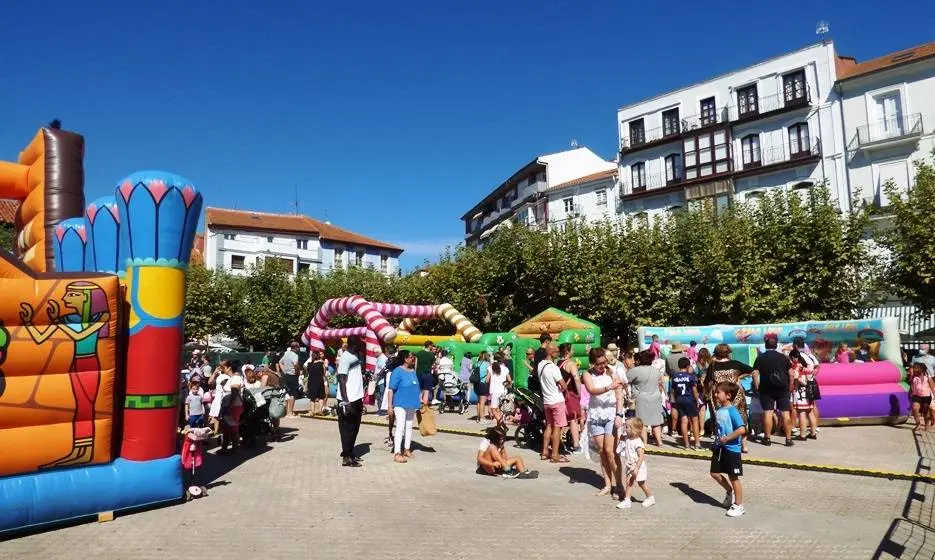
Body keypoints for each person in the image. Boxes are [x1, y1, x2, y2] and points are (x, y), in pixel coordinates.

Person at [581, 347, 624, 496]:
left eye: (604, 362)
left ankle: (619, 485)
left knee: (610, 451)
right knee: (602, 452)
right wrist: (608, 387)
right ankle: (607, 484)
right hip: (595, 415)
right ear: (593, 363)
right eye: (599, 363)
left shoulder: (612, 372)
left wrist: (619, 414)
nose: (602, 366)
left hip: (611, 415)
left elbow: (619, 394)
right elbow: (591, 390)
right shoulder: (587, 374)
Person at [706, 344, 753, 452]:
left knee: (722, 419)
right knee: (741, 418)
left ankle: (722, 442)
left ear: (716, 353)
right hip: (737, 394)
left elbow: (708, 383)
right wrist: (739, 377)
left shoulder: (713, 366)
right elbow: (752, 370)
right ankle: (744, 445)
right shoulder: (736, 364)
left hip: (720, 396)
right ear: (728, 353)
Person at [710, 381, 746, 517]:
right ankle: (728, 491)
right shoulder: (719, 410)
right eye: (716, 392)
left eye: (718, 392)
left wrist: (728, 438)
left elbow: (742, 429)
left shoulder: (732, 411)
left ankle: (739, 505)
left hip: (731, 449)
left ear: (728, 395)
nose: (715, 394)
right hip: (719, 448)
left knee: (733, 477)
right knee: (714, 473)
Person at [753, 334, 794, 447]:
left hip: (766, 388)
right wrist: (790, 386)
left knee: (768, 412)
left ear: (765, 345)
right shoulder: (784, 357)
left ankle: (767, 438)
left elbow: (755, 373)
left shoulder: (760, 357)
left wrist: (757, 386)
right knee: (785, 413)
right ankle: (788, 439)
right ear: (776, 346)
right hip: (783, 388)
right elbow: (791, 374)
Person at [336, 336, 366, 467]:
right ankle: (346, 457)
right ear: (355, 344)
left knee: (354, 428)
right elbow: (342, 380)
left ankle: (351, 452)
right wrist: (346, 402)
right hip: (349, 399)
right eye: (360, 343)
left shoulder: (355, 356)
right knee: (347, 429)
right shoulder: (345, 358)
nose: (361, 345)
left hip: (357, 397)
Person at [386, 350, 420, 463]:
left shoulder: (413, 371)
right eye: (410, 357)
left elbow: (416, 387)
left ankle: (406, 449)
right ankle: (397, 452)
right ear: (405, 359)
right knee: (400, 427)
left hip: (412, 403)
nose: (412, 359)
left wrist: (419, 400)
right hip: (400, 403)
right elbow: (391, 389)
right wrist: (390, 406)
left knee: (409, 426)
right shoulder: (397, 371)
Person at [538, 341, 569, 463]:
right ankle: (555, 454)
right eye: (556, 351)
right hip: (557, 400)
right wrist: (564, 386)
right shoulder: (554, 368)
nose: (558, 353)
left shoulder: (541, 365)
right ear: (550, 352)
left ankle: (544, 451)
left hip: (546, 401)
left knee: (549, 426)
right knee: (557, 428)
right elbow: (563, 385)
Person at [627, 350, 664, 446]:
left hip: (642, 397)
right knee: (656, 421)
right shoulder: (656, 370)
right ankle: (659, 442)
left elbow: (625, 379)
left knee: (643, 422)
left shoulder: (635, 371)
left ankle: (644, 442)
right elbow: (660, 383)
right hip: (655, 396)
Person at [616, 417, 654, 509]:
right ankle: (627, 500)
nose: (625, 429)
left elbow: (641, 456)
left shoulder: (638, 442)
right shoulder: (627, 438)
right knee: (629, 482)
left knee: (641, 482)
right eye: (625, 426)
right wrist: (619, 429)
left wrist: (637, 467)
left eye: (627, 427)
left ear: (635, 430)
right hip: (630, 465)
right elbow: (620, 437)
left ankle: (650, 497)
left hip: (638, 466)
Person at [670, 357, 700, 449]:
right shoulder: (690, 376)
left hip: (679, 399)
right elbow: (694, 390)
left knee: (683, 420)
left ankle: (686, 444)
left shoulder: (674, 376)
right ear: (687, 366)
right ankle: (697, 444)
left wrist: (676, 399)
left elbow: (673, 391)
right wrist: (697, 400)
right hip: (689, 399)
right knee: (694, 420)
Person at [558, 343, 582, 454]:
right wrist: (579, 393)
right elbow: (576, 378)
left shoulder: (558, 363)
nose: (573, 351)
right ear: (567, 352)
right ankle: (576, 445)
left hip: (560, 395)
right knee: (573, 419)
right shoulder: (571, 364)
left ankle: (557, 443)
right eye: (572, 349)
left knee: (560, 420)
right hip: (570, 394)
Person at [790, 349, 818, 440]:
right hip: (810, 391)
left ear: (794, 358)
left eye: (791, 358)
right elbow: (813, 373)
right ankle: (813, 433)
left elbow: (798, 378)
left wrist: (799, 382)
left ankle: (802, 435)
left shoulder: (797, 367)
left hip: (801, 392)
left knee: (802, 413)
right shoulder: (807, 366)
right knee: (810, 412)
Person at [279, 341, 301, 418]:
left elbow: (280, 362)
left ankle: (286, 412)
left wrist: (284, 371)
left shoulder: (286, 354)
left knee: (286, 393)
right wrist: (297, 372)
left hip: (286, 376)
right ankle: (290, 412)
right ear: (296, 347)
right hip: (292, 375)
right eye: (298, 347)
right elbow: (295, 365)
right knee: (293, 394)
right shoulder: (295, 355)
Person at [910, 363, 934, 433]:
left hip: (926, 396)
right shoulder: (914, 377)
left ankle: (927, 424)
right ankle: (918, 424)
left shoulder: (927, 377)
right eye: (914, 368)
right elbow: (912, 386)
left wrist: (934, 395)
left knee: (925, 412)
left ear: (922, 369)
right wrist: (911, 393)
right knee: (914, 409)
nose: (914, 369)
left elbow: (932, 386)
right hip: (916, 396)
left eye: (916, 368)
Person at [303, 351, 328, 416]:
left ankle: (312, 411)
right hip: (319, 381)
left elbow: (307, 371)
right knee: (321, 397)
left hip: (311, 381)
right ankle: (320, 411)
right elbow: (324, 373)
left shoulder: (309, 364)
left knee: (312, 398)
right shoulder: (321, 363)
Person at [415, 341, 437, 406]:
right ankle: (425, 405)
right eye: (432, 346)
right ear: (429, 346)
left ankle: (418, 404)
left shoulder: (418, 353)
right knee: (426, 390)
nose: (432, 347)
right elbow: (433, 366)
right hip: (427, 373)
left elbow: (416, 364)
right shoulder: (431, 355)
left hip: (419, 373)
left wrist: (415, 372)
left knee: (420, 389)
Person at [474, 351, 492, 423]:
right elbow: (488, 377)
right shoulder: (488, 364)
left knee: (478, 401)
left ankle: (478, 417)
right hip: (483, 384)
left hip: (476, 383)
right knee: (482, 402)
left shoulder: (477, 363)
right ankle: (482, 418)